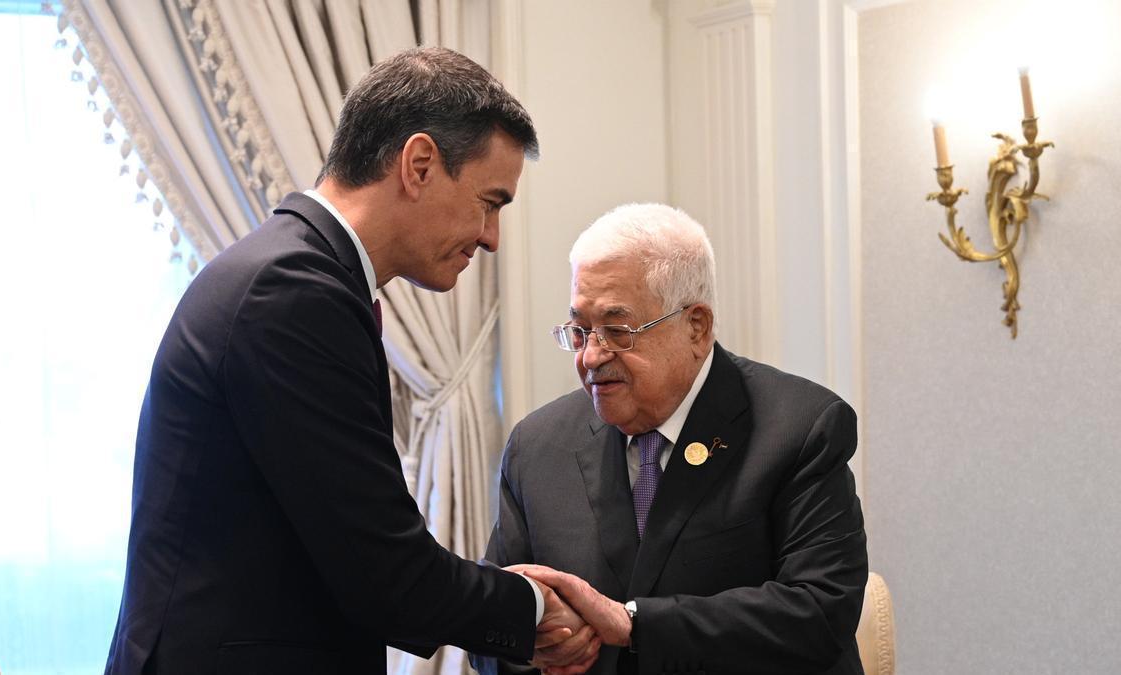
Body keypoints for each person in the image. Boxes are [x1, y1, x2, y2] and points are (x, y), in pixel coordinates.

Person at [105, 47, 599, 675]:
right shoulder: (294, 292)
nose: (491, 236)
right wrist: (532, 607)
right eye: (489, 201)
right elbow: (387, 574)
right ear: (418, 164)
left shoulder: (301, 273)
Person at [473, 203, 869, 675]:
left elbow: (820, 614)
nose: (592, 356)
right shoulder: (537, 447)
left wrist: (634, 625)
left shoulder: (801, 427)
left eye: (617, 330)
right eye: (580, 332)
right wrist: (540, 641)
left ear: (696, 326)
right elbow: (488, 626)